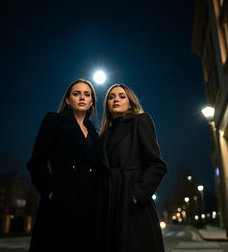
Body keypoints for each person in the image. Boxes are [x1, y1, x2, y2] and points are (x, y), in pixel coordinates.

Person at [27, 79, 99, 252]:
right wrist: (52, 192)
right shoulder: (54, 121)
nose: (82, 97)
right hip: (59, 205)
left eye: (87, 94)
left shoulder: (95, 134)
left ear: (91, 103)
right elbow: (36, 163)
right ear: (68, 100)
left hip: (88, 208)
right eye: (76, 93)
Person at [96, 84, 167, 252]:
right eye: (111, 97)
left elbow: (157, 165)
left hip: (131, 202)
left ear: (130, 102)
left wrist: (137, 195)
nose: (115, 100)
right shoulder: (104, 135)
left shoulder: (140, 121)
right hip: (109, 203)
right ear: (106, 104)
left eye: (121, 96)